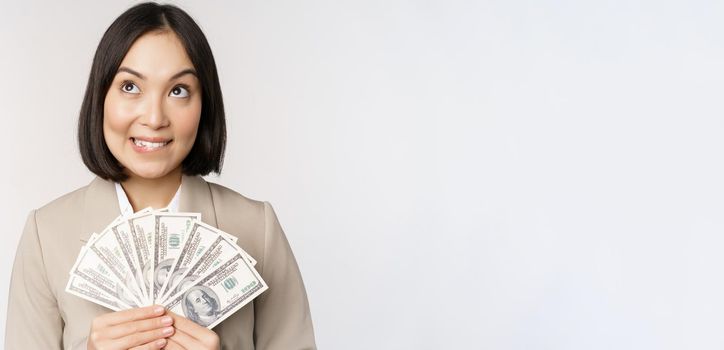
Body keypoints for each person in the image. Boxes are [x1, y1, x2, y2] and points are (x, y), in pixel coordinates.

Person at [4, 2, 316, 349]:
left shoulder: (258, 228)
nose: (154, 117)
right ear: (101, 97)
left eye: (178, 90)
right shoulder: (46, 235)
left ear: (204, 105)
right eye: (130, 87)